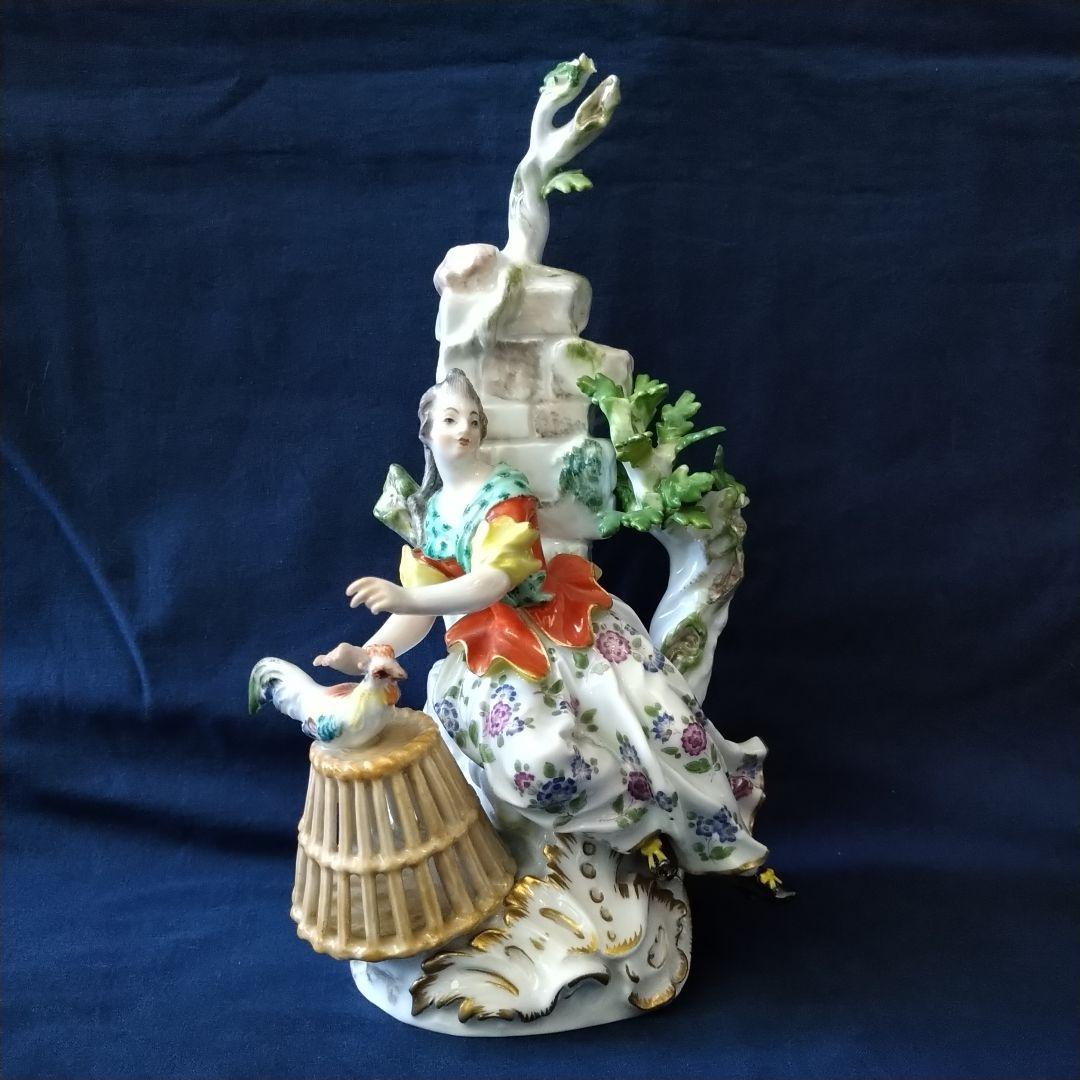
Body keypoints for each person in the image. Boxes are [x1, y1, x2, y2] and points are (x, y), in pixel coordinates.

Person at [314, 369, 775, 882]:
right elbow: (416, 616)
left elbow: (492, 580)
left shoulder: (504, 491)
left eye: (473, 420)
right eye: (450, 419)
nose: (464, 430)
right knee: (518, 765)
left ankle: (660, 823)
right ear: (426, 430)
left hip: (556, 624)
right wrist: (369, 653)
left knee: (647, 722)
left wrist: (408, 595)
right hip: (490, 645)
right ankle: (613, 828)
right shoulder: (433, 514)